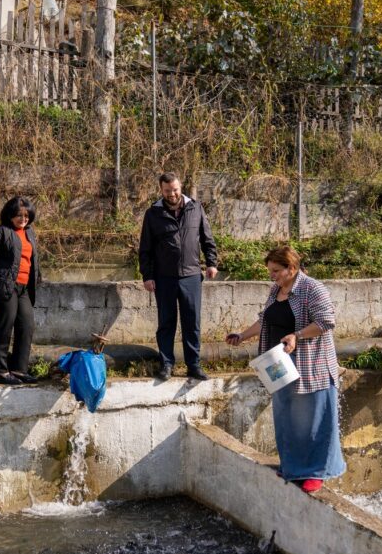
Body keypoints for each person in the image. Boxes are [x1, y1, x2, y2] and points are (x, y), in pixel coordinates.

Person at [225, 245, 345, 493]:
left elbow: (325, 322)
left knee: (314, 419)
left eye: (276, 270)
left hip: (311, 366)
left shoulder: (312, 289)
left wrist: (297, 336)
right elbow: (265, 319)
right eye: (270, 271)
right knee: (288, 418)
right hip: (279, 365)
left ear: (292, 268)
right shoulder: (276, 289)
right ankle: (294, 467)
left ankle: (316, 472)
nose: (272, 275)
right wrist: (242, 335)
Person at [138, 172, 219, 381]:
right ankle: (166, 364)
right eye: (167, 191)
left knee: (192, 322)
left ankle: (194, 364)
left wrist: (211, 263)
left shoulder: (196, 208)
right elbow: (145, 249)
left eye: (175, 189)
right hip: (163, 277)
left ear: (180, 187)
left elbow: (207, 238)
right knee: (166, 322)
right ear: (161, 190)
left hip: (191, 276)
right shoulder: (153, 214)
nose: (172, 194)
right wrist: (147, 275)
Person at [0, 196, 41, 385]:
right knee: (5, 326)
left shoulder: (30, 233)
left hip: (24, 288)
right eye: (18, 215)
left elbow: (32, 260)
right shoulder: (0, 232)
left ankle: (19, 369)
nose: (23, 219)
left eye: (26, 215)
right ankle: (0, 370)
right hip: (5, 286)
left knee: (27, 325)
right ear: (9, 215)